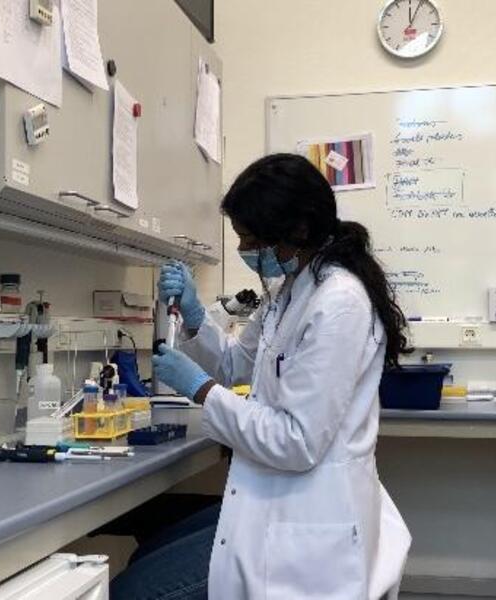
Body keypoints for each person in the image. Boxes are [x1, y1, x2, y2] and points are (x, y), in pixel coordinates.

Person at [113, 153, 411, 600]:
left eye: (251, 239)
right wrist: (194, 316)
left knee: (135, 592)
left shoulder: (338, 303)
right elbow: (236, 364)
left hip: (306, 520)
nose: (245, 251)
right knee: (148, 555)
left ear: (299, 231)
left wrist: (201, 389)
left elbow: (297, 441)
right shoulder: (290, 292)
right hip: (270, 495)